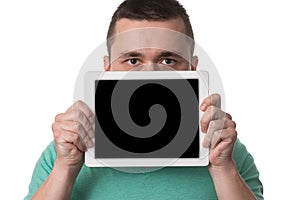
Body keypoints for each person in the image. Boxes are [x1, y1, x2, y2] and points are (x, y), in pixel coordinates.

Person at [25, 0, 263, 199]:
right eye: (132, 60)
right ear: (108, 68)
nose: (150, 75)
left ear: (192, 68)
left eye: (168, 60)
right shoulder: (66, 149)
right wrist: (65, 168)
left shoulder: (226, 152)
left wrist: (223, 169)